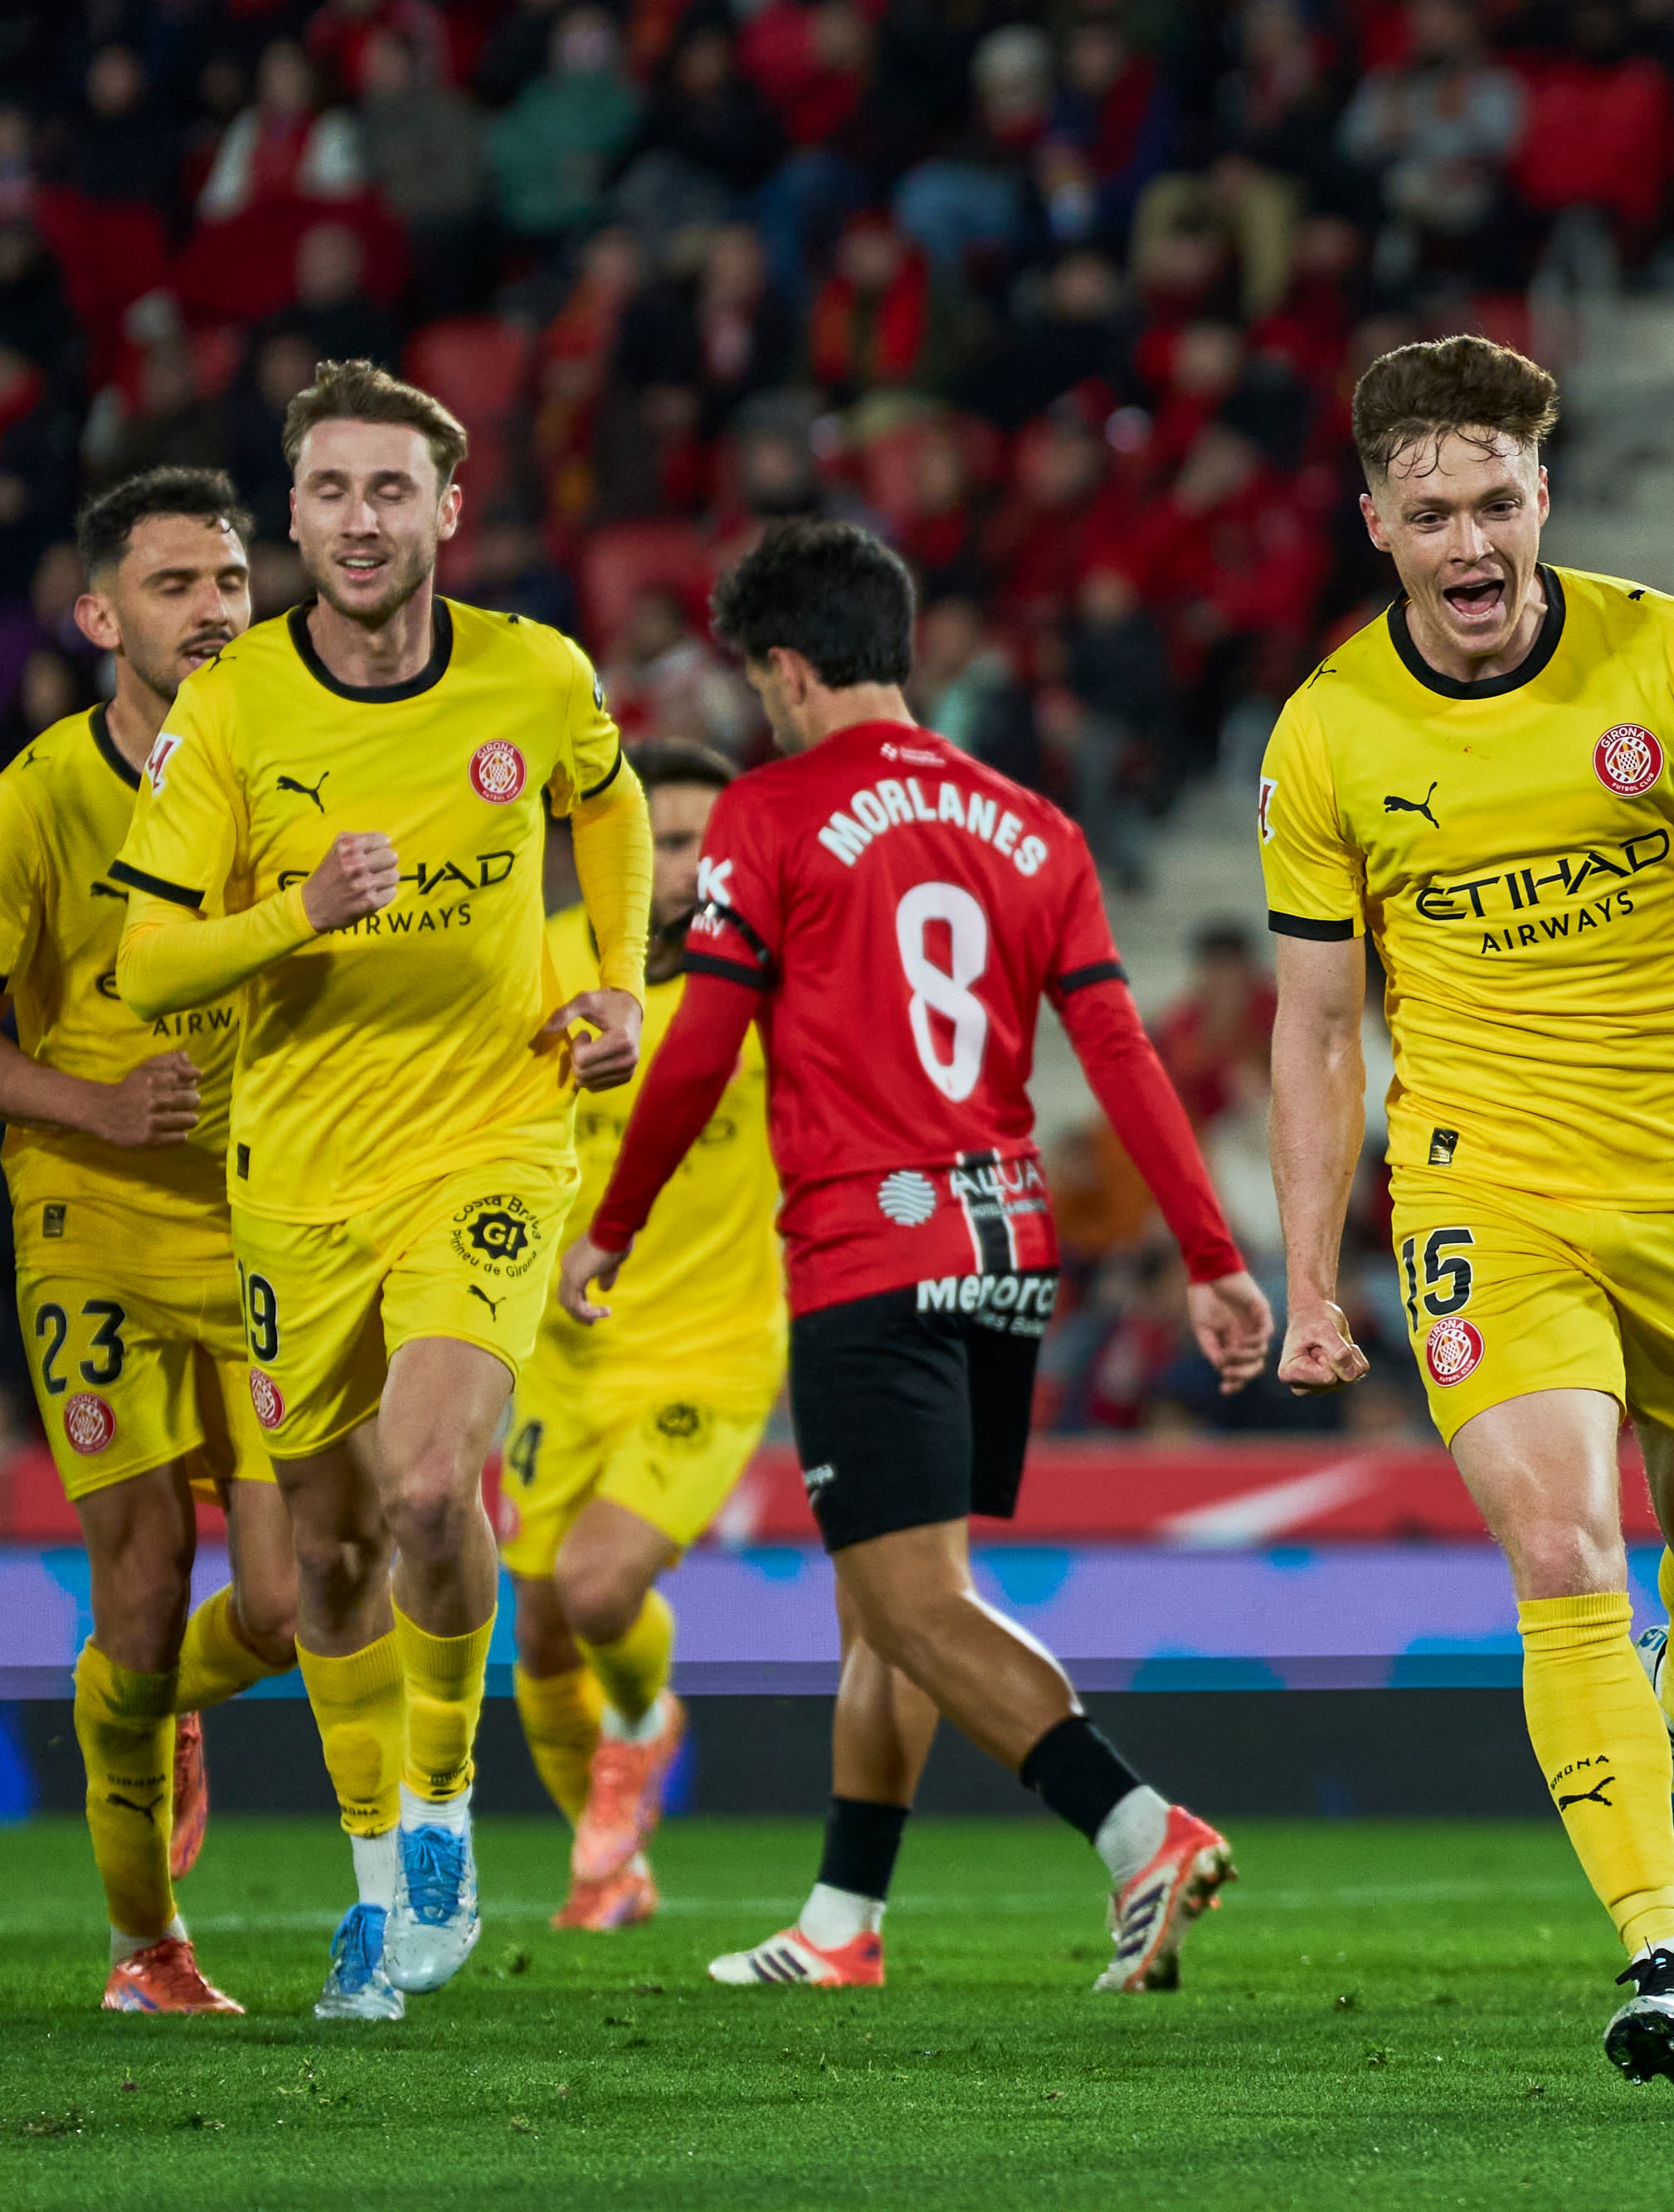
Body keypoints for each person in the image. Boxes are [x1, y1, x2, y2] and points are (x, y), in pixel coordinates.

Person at [1257, 337, 1674, 2098]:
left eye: (1496, 502)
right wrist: (1308, 1268)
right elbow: (1321, 1021)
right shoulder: (1329, 733)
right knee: (1559, 1552)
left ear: (1541, 498)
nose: (1469, 543)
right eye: (1432, 513)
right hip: (1487, 1181)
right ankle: (1666, 1953)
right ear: (1376, 524)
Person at [558, 519, 1272, 1996]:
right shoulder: (1033, 824)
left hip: (867, 1251)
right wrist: (1211, 1250)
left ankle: (1137, 1829)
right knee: (897, 1600)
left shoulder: (770, 811)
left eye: (763, 682)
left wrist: (612, 1224)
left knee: (905, 1604)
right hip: (1005, 1249)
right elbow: (1121, 1051)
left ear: (793, 668)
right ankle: (841, 1926)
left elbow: (698, 1049)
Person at [108, 362, 656, 2020]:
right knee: (330, 1555)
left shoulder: (532, 672)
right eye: (332, 491)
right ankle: (367, 1888)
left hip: (491, 1139)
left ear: (445, 511)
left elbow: (610, 804)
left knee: (430, 1488)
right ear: (294, 517)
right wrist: (298, 912)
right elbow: (148, 958)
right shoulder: (236, 711)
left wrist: (618, 980)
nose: (362, 520)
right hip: (295, 1178)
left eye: (391, 490)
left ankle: (440, 1804)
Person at [0, 469, 299, 2015]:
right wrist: (92, 1100)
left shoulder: (294, 771)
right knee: (143, 1586)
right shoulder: (36, 797)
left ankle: (145, 1715)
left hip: (268, 1222)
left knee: (278, 1609)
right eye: (174, 585)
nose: (213, 609)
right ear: (99, 617)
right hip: (90, 1216)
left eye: (228, 579)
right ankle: (151, 1949)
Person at [505, 740, 785, 1933]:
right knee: (543, 1631)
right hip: (555, 1349)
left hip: (710, 1347)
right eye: (661, 840)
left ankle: (643, 1725)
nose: (684, 864)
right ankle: (610, 1867)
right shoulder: (545, 959)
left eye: (703, 840)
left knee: (600, 1580)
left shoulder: (783, 972)